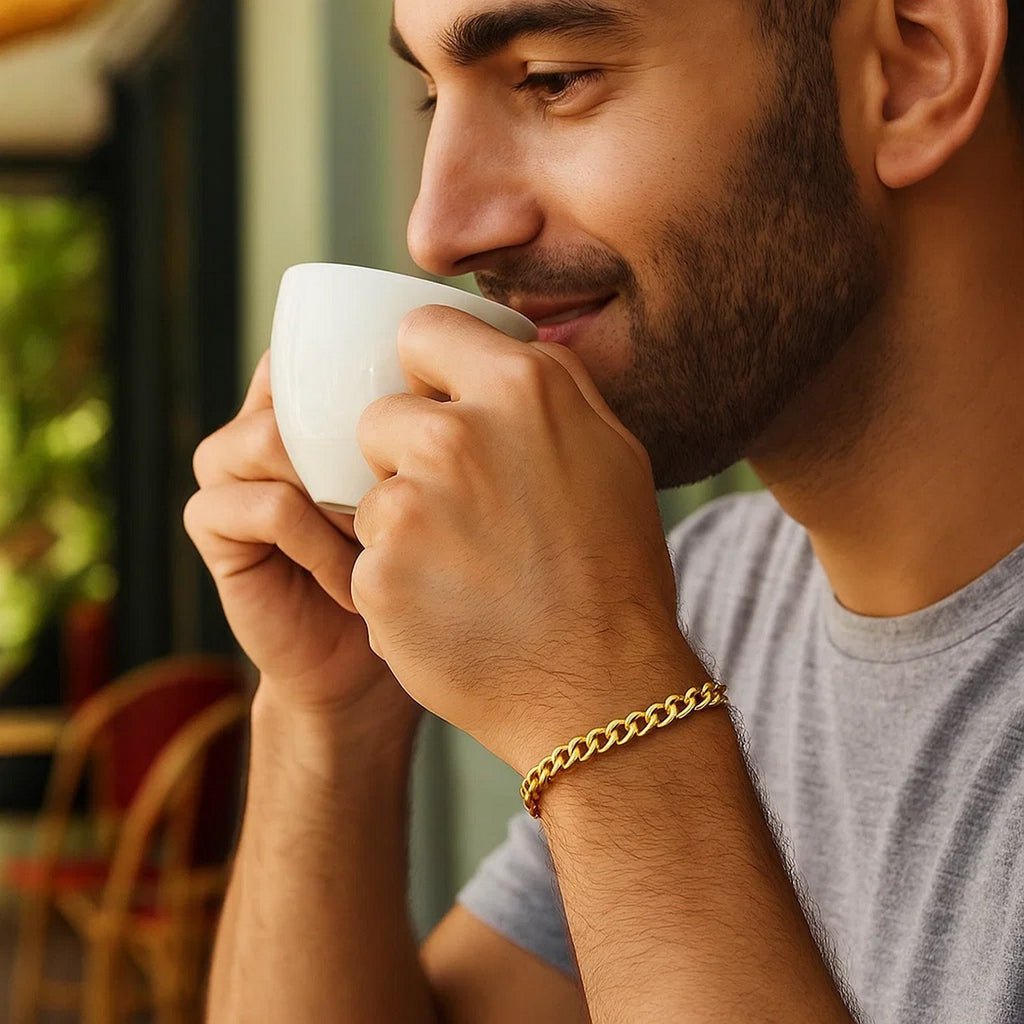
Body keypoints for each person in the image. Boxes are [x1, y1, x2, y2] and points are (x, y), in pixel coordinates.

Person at [184, 0, 1024, 1020]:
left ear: (914, 69)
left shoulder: (631, 645)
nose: (438, 230)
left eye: (553, 81)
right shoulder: (711, 595)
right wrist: (331, 713)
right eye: (431, 97)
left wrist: (604, 702)